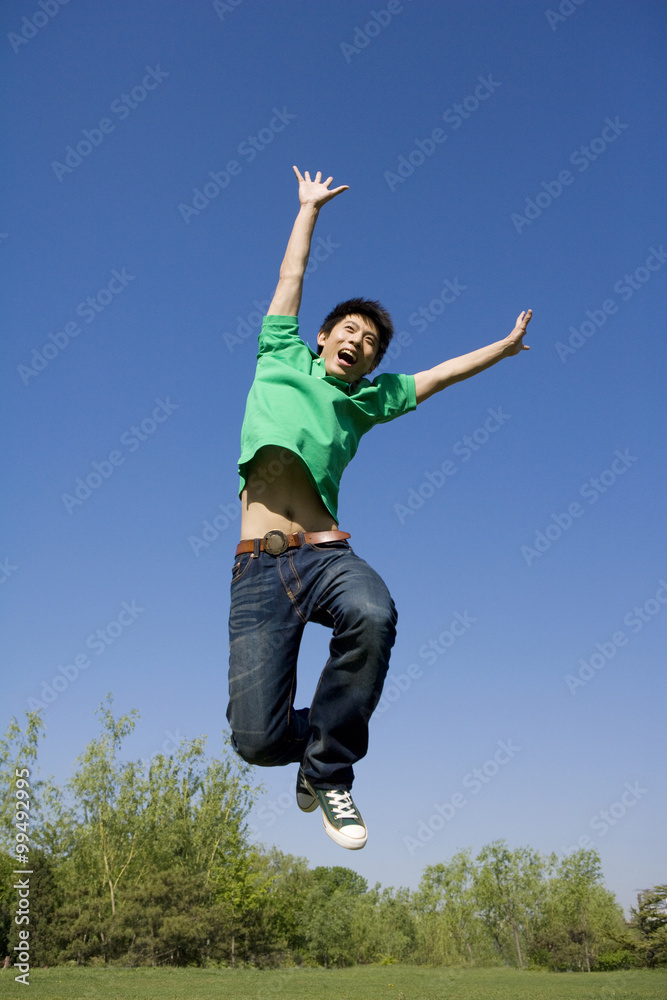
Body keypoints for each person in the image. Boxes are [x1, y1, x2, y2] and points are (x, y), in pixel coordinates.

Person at [227, 167, 532, 850]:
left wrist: (502, 348)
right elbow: (289, 282)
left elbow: (437, 375)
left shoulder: (365, 402)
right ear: (323, 335)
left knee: (372, 612)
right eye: (348, 329)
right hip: (256, 570)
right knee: (253, 739)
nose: (356, 340)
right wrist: (308, 210)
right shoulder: (279, 357)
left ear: (370, 367)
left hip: (325, 553)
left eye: (369, 343)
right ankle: (316, 748)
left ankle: (331, 771)